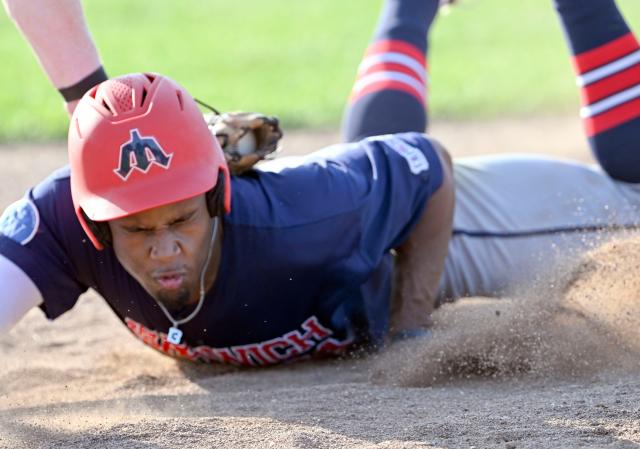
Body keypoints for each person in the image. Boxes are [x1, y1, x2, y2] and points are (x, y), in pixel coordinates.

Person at [2, 0, 639, 368]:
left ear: (218, 197)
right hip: (355, 204)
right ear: (91, 221)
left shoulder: (301, 220)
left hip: (460, 231)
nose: (162, 247)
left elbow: (426, 165)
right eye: (137, 228)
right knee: (365, 167)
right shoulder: (65, 217)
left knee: (633, 204)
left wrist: (411, 328)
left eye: (180, 220)